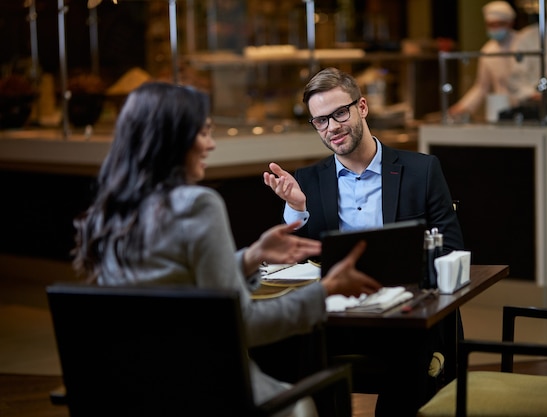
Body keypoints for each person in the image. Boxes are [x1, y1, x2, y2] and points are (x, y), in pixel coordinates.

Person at [71, 82, 382, 417]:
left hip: (135, 391)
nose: (211, 144)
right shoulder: (197, 205)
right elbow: (244, 324)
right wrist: (326, 290)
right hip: (208, 391)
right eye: (203, 133)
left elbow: (181, 288)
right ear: (172, 139)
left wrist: (251, 257)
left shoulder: (112, 211)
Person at [263, 67, 464, 416]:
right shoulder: (307, 180)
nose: (333, 128)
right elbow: (294, 259)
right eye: (321, 121)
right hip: (338, 319)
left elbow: (450, 248)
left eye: (340, 113)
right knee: (282, 350)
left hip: (404, 316)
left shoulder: (422, 170)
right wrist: (297, 209)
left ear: (362, 107)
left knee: (408, 363)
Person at [448, 1, 519, 118]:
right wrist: (462, 107)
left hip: (525, 107)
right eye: (491, 25)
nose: (495, 28)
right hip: (501, 110)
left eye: (499, 24)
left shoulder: (524, 44)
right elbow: (481, 87)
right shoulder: (488, 50)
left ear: (510, 23)